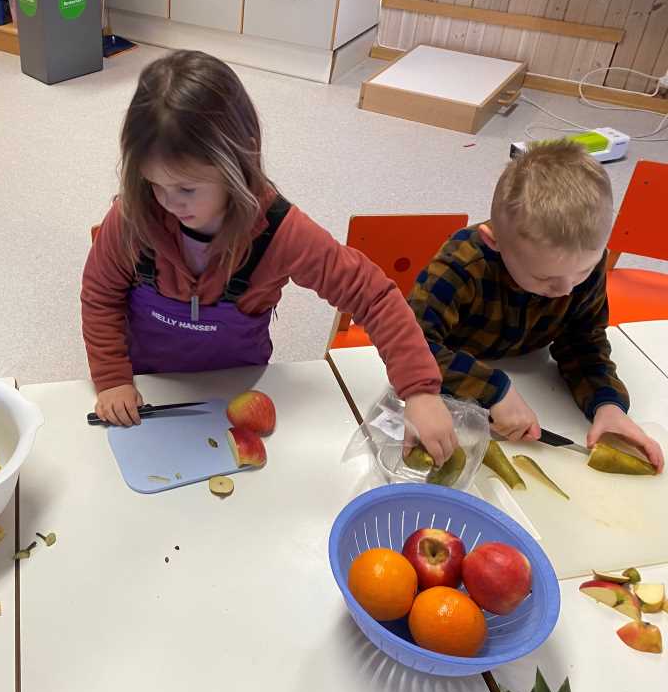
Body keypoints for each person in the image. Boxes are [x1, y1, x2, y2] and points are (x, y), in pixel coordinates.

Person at [81, 50, 456, 464]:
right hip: (148, 387)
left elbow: (374, 296)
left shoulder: (282, 232)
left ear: (240, 160)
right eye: (155, 184)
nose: (170, 203)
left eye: (187, 189)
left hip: (239, 389)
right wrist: (113, 379)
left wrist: (419, 391)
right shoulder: (131, 217)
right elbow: (100, 295)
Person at [408, 140, 663, 470]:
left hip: (533, 381)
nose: (566, 289)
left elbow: (584, 341)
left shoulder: (576, 267)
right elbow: (412, 346)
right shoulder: (462, 265)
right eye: (544, 279)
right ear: (494, 242)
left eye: (583, 271)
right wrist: (494, 390)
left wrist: (607, 404)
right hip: (454, 394)